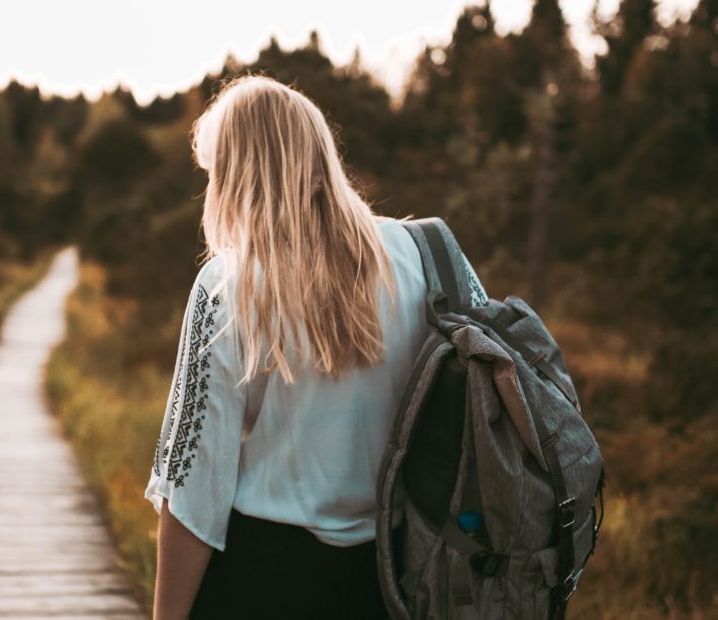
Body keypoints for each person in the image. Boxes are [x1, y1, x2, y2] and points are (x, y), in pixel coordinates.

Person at [144, 75, 488, 619]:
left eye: (214, 173)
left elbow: (192, 484)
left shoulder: (228, 284)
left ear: (236, 174)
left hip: (263, 581)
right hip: (395, 578)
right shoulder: (427, 257)